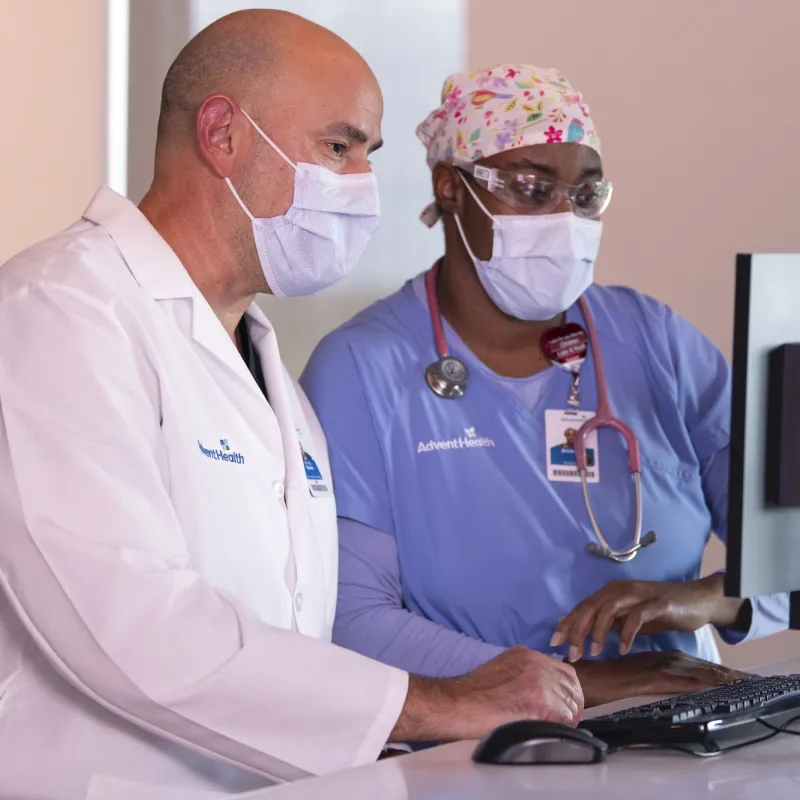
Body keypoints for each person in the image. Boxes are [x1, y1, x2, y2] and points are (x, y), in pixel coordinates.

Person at [0, 27, 583, 800]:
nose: (363, 187)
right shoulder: (58, 311)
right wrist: (444, 702)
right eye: (339, 148)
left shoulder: (264, 362)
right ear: (223, 135)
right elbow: (134, 626)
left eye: (370, 154)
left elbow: (290, 632)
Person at [300, 64, 789, 706]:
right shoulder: (363, 369)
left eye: (585, 196)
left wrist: (707, 599)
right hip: (473, 749)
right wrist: (580, 685)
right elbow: (352, 621)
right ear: (452, 186)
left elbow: (790, 555)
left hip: (679, 730)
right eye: (532, 189)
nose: (564, 217)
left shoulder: (656, 344)